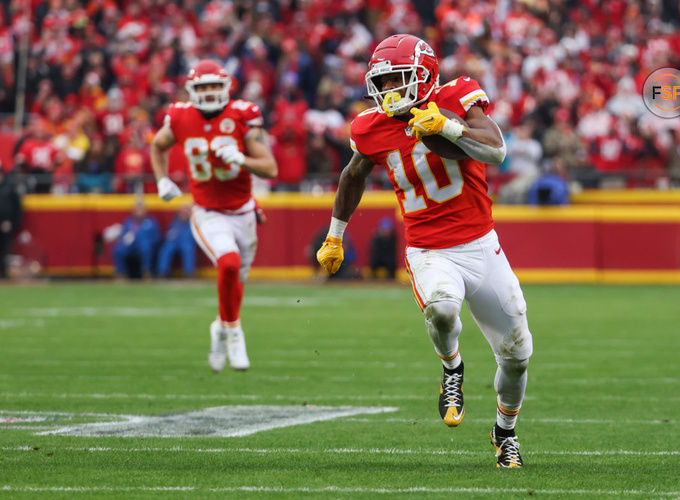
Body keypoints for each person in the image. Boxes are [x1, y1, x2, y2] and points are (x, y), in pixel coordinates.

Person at [316, 34, 533, 468]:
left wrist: (448, 126)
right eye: (384, 82)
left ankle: (504, 433)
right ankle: (452, 368)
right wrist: (335, 234)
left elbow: (497, 151)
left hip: (481, 245)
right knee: (442, 310)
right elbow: (353, 174)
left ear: (425, 75)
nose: (390, 92)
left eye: (399, 79)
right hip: (428, 249)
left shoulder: (455, 95)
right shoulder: (371, 125)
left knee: (517, 356)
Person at [150, 60, 278, 372]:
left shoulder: (241, 115)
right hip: (207, 211)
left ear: (225, 88)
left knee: (235, 280)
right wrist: (162, 179)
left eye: (213, 86)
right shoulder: (180, 116)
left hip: (243, 211)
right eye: (202, 87)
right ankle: (234, 332)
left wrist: (242, 159)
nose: (208, 93)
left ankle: (220, 327)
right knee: (228, 263)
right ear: (191, 90)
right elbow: (158, 145)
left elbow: (271, 168)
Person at [112, 203, 161, 279]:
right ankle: (121, 272)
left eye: (141, 211)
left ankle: (146, 272)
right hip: (130, 245)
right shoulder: (129, 222)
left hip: (144, 244)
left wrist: (149, 242)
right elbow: (123, 235)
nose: (139, 213)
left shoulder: (151, 222)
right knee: (118, 250)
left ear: (145, 212)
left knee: (146, 248)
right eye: (137, 211)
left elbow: (156, 237)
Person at [156, 205, 196, 278]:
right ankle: (163, 272)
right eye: (182, 213)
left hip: (186, 242)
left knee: (188, 250)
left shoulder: (192, 223)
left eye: (185, 213)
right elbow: (169, 234)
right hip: (174, 242)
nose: (184, 215)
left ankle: (189, 273)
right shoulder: (175, 222)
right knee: (166, 250)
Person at [0, 170, 22, 279]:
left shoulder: (9, 188)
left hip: (6, 225)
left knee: (5, 251)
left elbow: (17, 208)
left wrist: (13, 223)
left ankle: (5, 273)